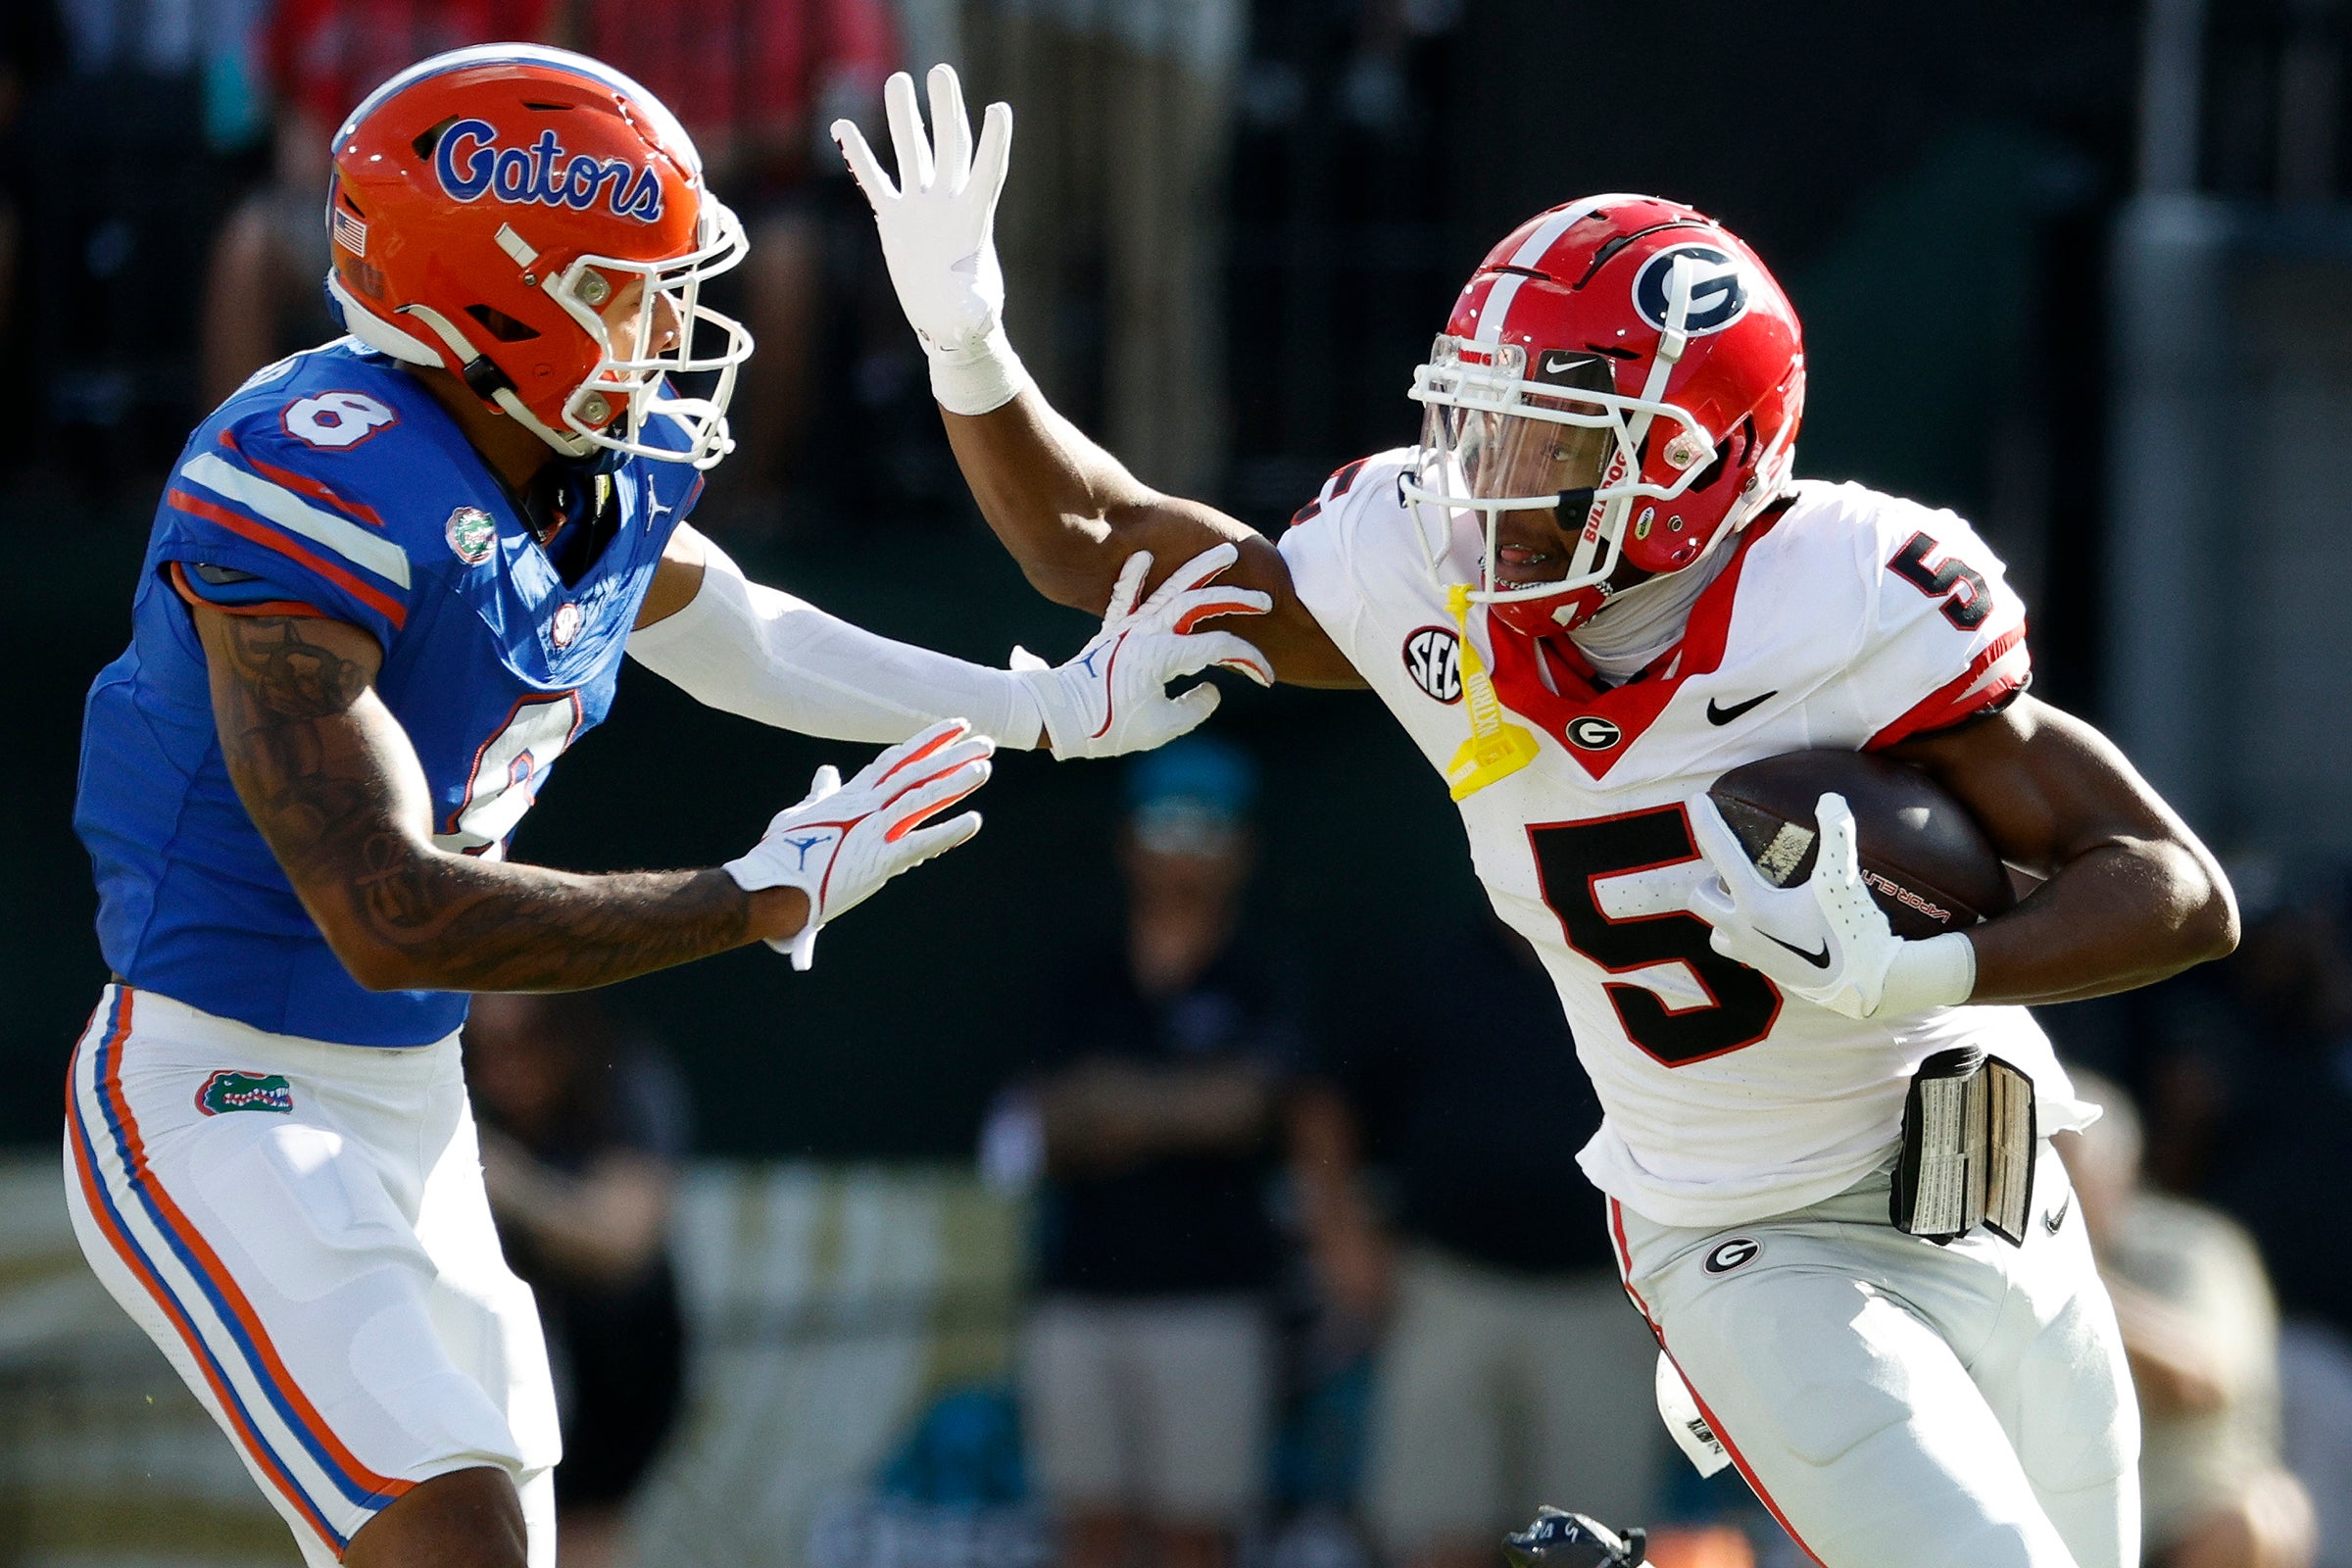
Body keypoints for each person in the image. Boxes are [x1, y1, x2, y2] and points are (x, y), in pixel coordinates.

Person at [835, 69, 2243, 1568]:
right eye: (1485, 426)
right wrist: (969, 345)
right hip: (1744, 1233)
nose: (1488, 485)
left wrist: (1929, 975)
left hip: (1989, 1172)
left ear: (1694, 466)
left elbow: (2172, 886)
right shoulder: (1418, 571)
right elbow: (1104, 548)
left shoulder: (1848, 598)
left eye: (1553, 444)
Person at [65, 44, 1268, 1568]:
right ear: (493, 296)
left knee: (516, 1529)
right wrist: (755, 893)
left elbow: (736, 627)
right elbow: (387, 912)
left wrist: (1043, 708)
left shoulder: (574, 458)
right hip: (224, 1090)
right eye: (624, 288)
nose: (669, 327)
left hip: (411, 1090)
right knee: (454, 1535)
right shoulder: (312, 480)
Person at [1012, 736, 1307, 1568]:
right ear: (1129, 841)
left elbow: (1249, 1106)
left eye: (1208, 827)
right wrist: (1183, 1106)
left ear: (1243, 849)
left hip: (1215, 1298)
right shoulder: (1082, 971)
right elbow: (1044, 1121)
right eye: (1166, 824)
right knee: (1087, 1531)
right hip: (1077, 1290)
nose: (1185, 849)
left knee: (1196, 1535)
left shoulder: (1264, 974)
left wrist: (1115, 1099)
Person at [1311, 917, 1664, 1568]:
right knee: (1435, 1537)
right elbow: (1328, 1101)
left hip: (1602, 1296)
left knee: (1589, 1548)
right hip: (1448, 1286)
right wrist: (1341, 1235)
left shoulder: (1646, 968)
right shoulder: (1428, 966)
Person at [466, 992, 691, 1568]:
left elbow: (622, 1240)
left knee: (579, 1533)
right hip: (489, 1372)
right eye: (486, 1052)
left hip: (614, 1372)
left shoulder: (621, 1076)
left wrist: (508, 1183)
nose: (507, 1072)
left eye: (526, 1045)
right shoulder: (456, 1091)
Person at [2056, 1071, 2316, 1568]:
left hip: (2178, 1518)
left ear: (2119, 1171)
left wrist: (2066, 1278)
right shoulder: (1991, 1263)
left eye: (2069, 1165)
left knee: (2263, 1515)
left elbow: (2202, 1383)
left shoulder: (2192, 1246)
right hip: (2055, 1507)